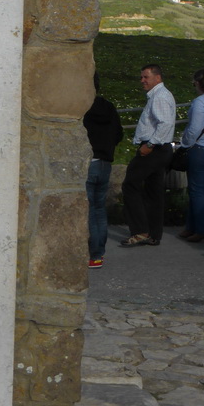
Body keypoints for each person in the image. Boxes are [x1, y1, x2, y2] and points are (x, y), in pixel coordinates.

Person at [120, 63, 176, 248]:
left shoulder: (159, 96)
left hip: (154, 149)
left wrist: (150, 145)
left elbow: (165, 123)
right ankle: (153, 233)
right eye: (141, 77)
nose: (142, 80)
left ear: (157, 78)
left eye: (146, 77)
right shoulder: (159, 95)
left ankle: (140, 231)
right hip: (160, 149)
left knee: (130, 184)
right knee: (154, 192)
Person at [83, 73, 123, 268]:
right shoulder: (109, 108)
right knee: (99, 208)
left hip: (89, 162)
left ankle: (90, 252)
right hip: (105, 163)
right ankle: (98, 254)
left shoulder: (83, 109)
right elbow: (119, 134)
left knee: (89, 209)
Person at [177, 69, 204, 243]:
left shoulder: (200, 102)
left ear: (197, 83)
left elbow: (194, 129)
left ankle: (202, 229)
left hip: (200, 150)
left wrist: (184, 144)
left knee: (196, 190)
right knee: (198, 188)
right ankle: (191, 227)